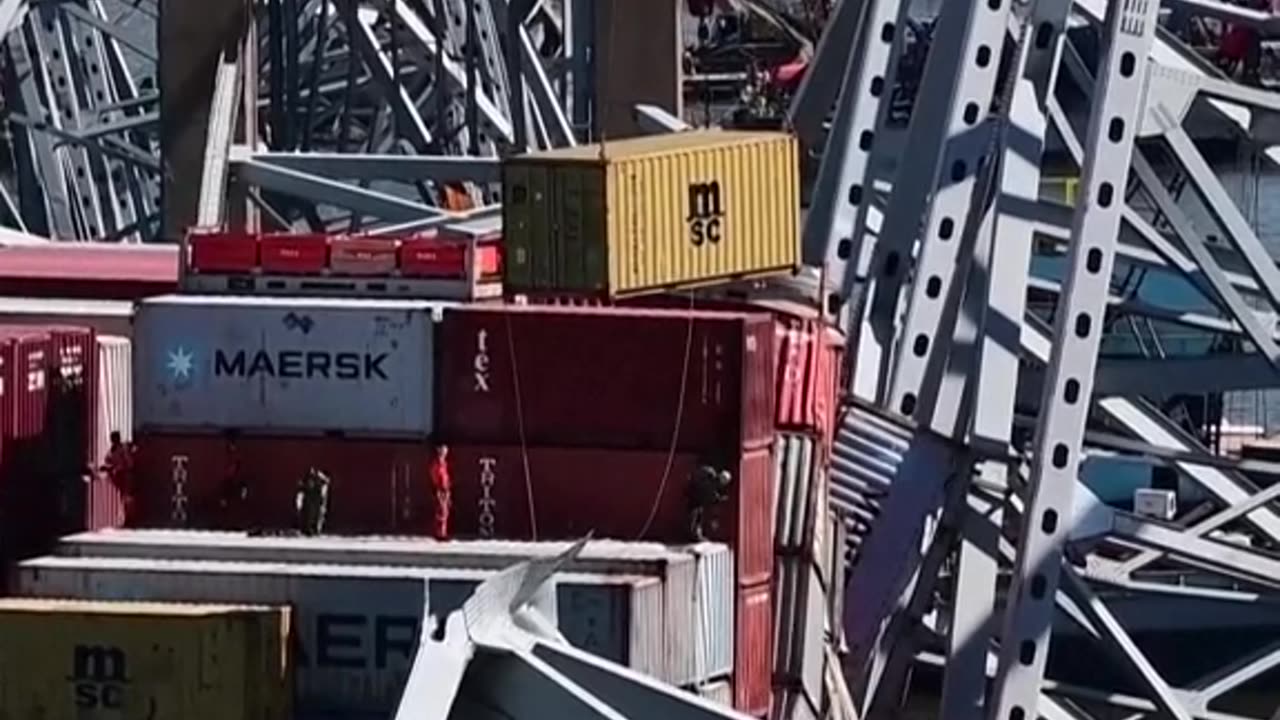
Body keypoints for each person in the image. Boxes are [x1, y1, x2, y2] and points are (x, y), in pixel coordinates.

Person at [687, 465, 733, 542]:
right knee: (695, 519)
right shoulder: (712, 481)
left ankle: (695, 535)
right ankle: (693, 537)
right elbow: (710, 494)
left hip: (695, 499)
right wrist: (720, 498)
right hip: (695, 501)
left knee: (696, 519)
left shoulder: (710, 477)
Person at [101, 431, 136, 522]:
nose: (113, 441)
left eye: (114, 439)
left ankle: (129, 517)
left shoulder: (122, 448)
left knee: (127, 496)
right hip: (119, 474)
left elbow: (128, 462)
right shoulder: (112, 449)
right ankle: (125, 517)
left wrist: (121, 467)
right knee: (124, 496)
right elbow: (108, 460)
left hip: (125, 473)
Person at [296, 467, 331, 536]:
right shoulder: (307, 483)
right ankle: (309, 529)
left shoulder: (320, 482)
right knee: (309, 514)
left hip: (315, 500)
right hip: (310, 500)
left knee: (316, 514)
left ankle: (314, 529)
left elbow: (324, 489)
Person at [430, 446, 453, 540]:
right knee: (441, 510)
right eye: (443, 452)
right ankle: (440, 533)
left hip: (444, 488)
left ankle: (443, 532)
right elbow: (436, 476)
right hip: (440, 488)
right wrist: (439, 487)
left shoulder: (443, 463)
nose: (444, 454)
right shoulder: (437, 464)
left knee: (444, 511)